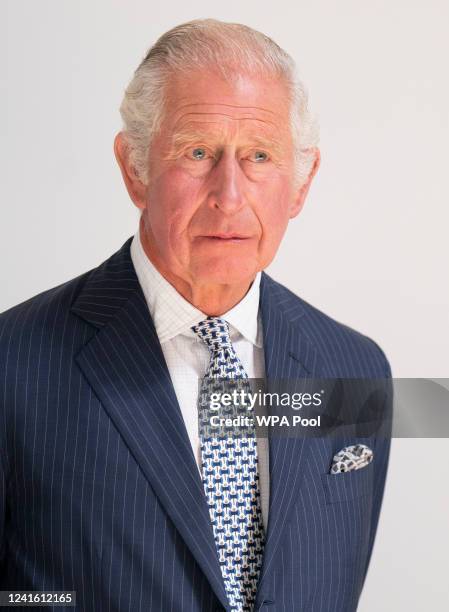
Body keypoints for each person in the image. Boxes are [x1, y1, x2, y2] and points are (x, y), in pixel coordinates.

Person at [0, 19, 392, 612]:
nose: (229, 195)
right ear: (134, 168)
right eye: (198, 152)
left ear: (301, 183)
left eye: (259, 156)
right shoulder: (13, 363)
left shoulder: (357, 370)